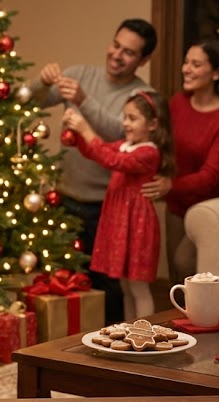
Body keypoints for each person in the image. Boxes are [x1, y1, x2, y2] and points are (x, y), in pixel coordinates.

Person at [29, 18, 158, 324]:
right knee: (63, 284)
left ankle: (116, 342)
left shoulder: (142, 96)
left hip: (108, 207)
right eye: (116, 45)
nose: (117, 55)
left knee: (110, 288)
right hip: (65, 196)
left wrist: (83, 102)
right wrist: (42, 82)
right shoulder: (80, 74)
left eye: (129, 52)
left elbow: (120, 136)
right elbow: (29, 100)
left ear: (143, 60)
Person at [62, 89, 174, 320]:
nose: (125, 123)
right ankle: (129, 329)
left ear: (153, 125)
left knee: (138, 286)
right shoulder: (125, 144)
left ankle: (143, 331)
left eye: (133, 118)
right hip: (120, 220)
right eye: (125, 117)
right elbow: (97, 152)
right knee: (125, 286)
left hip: (136, 224)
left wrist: (86, 129)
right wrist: (78, 134)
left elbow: (112, 160)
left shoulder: (148, 153)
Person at [142, 38, 219, 284]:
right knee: (177, 278)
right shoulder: (178, 103)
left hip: (212, 208)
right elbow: (161, 143)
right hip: (178, 204)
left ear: (217, 73)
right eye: (186, 62)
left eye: (196, 65)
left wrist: (170, 185)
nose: (186, 69)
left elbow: (210, 176)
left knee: (185, 263)